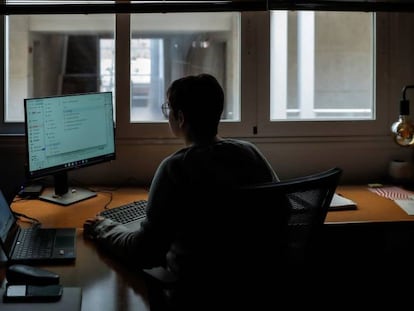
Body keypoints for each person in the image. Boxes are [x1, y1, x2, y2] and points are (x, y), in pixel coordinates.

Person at [83, 73, 279, 310]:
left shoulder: (175, 168)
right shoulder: (251, 153)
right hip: (252, 287)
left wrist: (104, 228)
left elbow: (144, 252)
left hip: (193, 293)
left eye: (168, 110)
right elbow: (283, 211)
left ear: (180, 118)